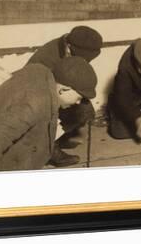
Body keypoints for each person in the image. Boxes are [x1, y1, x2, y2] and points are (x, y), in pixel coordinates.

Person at [0, 56, 98, 172]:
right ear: (63, 89)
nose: (78, 103)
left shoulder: (41, 73)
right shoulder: (34, 104)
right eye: (78, 98)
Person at [27, 25, 103, 167]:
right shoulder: (46, 59)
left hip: (58, 93)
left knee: (86, 111)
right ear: (69, 46)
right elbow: (40, 96)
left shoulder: (74, 50)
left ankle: (58, 136)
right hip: (38, 98)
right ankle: (48, 149)